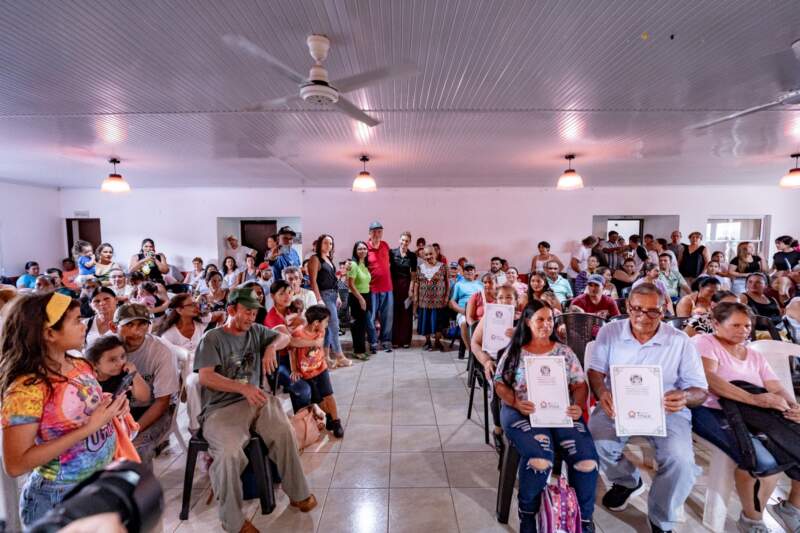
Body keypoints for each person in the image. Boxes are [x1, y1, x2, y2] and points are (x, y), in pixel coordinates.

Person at [587, 283, 708, 533]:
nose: (643, 317)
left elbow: (700, 389)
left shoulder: (679, 340)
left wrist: (684, 396)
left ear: (664, 310)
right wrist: (602, 392)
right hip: (619, 404)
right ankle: (627, 481)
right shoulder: (610, 332)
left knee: (681, 461)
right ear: (627, 307)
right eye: (637, 309)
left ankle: (661, 517)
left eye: (652, 311)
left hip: (666, 410)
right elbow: (596, 371)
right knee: (596, 442)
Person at [195, 287, 316, 533]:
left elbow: (285, 336)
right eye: (247, 313)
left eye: (254, 313)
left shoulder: (256, 331)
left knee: (284, 433)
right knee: (228, 453)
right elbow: (206, 377)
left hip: (258, 400)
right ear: (231, 310)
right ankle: (233, 521)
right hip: (221, 408)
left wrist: (271, 347)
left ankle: (298, 493)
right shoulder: (212, 339)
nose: (252, 318)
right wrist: (242, 388)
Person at [0, 293, 127, 528]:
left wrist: (111, 405)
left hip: (97, 484)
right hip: (59, 497)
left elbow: (89, 405)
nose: (84, 325)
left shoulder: (79, 364)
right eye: (77, 320)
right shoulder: (27, 389)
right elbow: (16, 464)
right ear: (49, 334)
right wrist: (89, 428)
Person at [690, 302, 800, 533]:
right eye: (736, 325)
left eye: (747, 325)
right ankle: (752, 519)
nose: (743, 330)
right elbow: (711, 381)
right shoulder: (704, 342)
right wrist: (755, 399)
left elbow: (776, 387)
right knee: (764, 465)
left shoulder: (753, 355)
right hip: (712, 410)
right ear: (715, 324)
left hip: (753, 413)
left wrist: (793, 407)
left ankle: (791, 508)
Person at [494, 300, 599, 533]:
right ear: (528, 322)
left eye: (550, 319)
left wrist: (578, 406)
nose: (546, 324)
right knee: (540, 461)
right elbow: (499, 384)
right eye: (540, 319)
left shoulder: (565, 352)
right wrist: (515, 402)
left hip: (561, 412)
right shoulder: (515, 351)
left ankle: (582, 518)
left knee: (586, 462)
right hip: (521, 411)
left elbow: (580, 385)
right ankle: (528, 513)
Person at [111, 303, 179, 463]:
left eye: (143, 324)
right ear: (113, 327)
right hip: (117, 411)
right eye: (129, 325)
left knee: (136, 450)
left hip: (154, 410)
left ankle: (142, 487)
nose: (137, 331)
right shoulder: (106, 349)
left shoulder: (161, 351)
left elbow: (163, 402)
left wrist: (133, 431)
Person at [470, 284, 518, 454]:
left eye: (509, 297)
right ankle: (498, 430)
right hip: (494, 362)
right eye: (501, 298)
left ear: (516, 301)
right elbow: (474, 343)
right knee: (499, 386)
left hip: (517, 364)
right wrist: (485, 361)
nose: (505, 301)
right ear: (495, 300)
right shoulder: (488, 318)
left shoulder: (523, 320)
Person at [288, 305, 344, 437]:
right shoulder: (298, 333)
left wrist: (298, 342)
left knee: (328, 395)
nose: (326, 325)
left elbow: (319, 343)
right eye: (325, 322)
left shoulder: (321, 332)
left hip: (321, 368)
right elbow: (292, 351)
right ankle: (329, 417)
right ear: (316, 323)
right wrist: (294, 369)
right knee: (318, 400)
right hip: (306, 373)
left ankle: (336, 422)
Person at [306, 234, 350, 369]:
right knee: (335, 326)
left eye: (330, 244)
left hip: (332, 294)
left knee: (328, 329)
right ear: (320, 244)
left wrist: (337, 296)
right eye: (325, 243)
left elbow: (333, 280)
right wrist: (319, 299)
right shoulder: (315, 259)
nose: (328, 246)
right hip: (323, 295)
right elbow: (313, 281)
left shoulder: (329, 259)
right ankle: (339, 356)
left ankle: (325, 357)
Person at [84, 335, 150, 404]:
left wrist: (135, 374)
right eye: (112, 360)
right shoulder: (88, 380)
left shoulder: (125, 374)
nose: (120, 363)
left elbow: (144, 398)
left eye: (122, 356)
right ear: (94, 365)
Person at [363, 221, 394, 353]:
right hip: (371, 288)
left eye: (379, 231)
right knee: (370, 317)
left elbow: (389, 263)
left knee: (388, 316)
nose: (377, 234)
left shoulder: (386, 245)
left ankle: (386, 340)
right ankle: (373, 341)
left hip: (387, 287)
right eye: (374, 231)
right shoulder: (364, 247)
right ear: (369, 233)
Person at [416, 245, 449, 352]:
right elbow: (417, 283)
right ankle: (428, 341)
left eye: (431, 253)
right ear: (423, 256)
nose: (429, 256)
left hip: (439, 301)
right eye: (426, 254)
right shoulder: (420, 267)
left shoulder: (443, 266)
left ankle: (438, 341)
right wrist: (416, 298)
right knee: (426, 322)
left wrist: (446, 297)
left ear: (435, 253)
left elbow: (447, 283)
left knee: (439, 323)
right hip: (424, 301)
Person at [390, 231, 417, 349]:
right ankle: (395, 340)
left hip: (406, 285)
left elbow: (413, 274)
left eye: (407, 241)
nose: (404, 242)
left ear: (409, 242)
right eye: (402, 240)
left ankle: (406, 340)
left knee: (406, 312)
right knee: (395, 312)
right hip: (393, 285)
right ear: (399, 240)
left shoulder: (412, 256)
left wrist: (411, 289)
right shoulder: (391, 253)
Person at [449, 264, 482, 354]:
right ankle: (471, 351)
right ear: (463, 273)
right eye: (467, 270)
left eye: (471, 270)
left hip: (479, 312)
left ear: (475, 272)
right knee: (464, 323)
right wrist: (463, 311)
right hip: (464, 311)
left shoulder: (480, 284)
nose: (469, 271)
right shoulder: (458, 285)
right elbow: (452, 302)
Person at [347, 242, 372, 360]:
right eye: (359, 249)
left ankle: (361, 349)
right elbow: (350, 285)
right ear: (355, 251)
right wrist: (361, 299)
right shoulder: (353, 264)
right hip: (356, 297)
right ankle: (358, 351)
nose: (362, 250)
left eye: (364, 248)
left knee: (363, 325)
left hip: (366, 295)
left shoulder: (364, 264)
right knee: (357, 325)